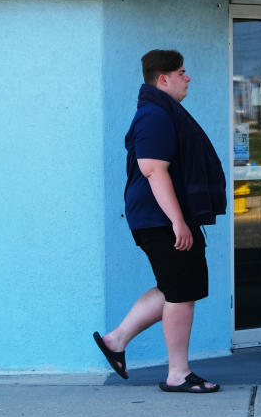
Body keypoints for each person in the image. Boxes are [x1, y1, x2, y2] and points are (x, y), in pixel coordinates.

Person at [93, 49, 226, 393]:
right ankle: (178, 374)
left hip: (159, 217)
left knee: (176, 285)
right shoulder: (154, 115)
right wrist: (178, 222)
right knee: (181, 290)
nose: (188, 78)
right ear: (162, 79)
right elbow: (153, 169)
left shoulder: (161, 112)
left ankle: (116, 340)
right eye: (181, 72)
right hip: (159, 218)